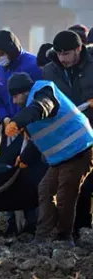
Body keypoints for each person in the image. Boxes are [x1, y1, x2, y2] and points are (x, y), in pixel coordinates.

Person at [4, 72, 93, 246]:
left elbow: (43, 107)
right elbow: (39, 138)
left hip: (80, 150)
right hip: (61, 157)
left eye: (15, 96)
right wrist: (24, 158)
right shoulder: (30, 111)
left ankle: (64, 238)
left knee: (66, 194)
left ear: (25, 91)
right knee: (45, 189)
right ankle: (43, 236)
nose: (14, 101)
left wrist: (18, 121)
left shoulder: (44, 92)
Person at [0, 29, 43, 236]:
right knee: (9, 172)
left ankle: (33, 222)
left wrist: (24, 122)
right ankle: (13, 222)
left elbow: (40, 97)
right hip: (9, 130)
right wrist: (5, 118)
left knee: (31, 173)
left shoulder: (32, 65)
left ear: (12, 50)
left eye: (1, 53)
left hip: (31, 129)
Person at [42, 30, 93, 241]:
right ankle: (77, 229)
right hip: (70, 136)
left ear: (79, 48)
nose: (63, 59)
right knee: (75, 185)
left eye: (67, 54)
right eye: (59, 54)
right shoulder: (50, 71)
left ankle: (82, 228)